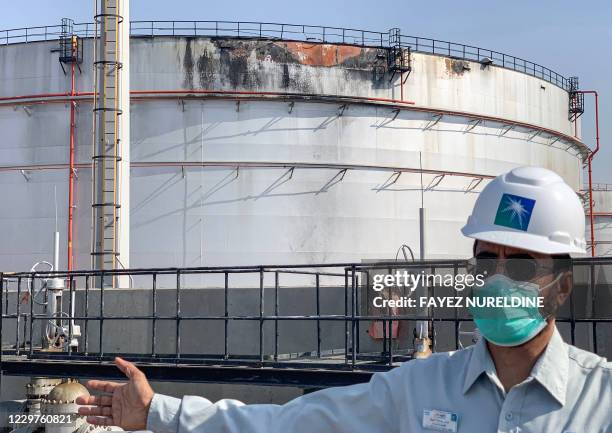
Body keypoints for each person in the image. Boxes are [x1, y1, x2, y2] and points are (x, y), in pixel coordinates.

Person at [76, 166, 612, 432]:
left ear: (562, 284)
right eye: (485, 259)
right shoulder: (419, 388)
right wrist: (159, 412)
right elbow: (290, 424)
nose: (497, 278)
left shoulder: (602, 401)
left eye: (518, 263)